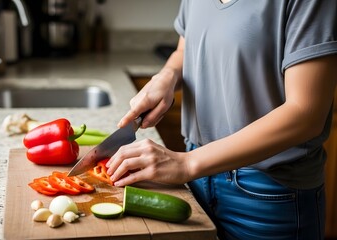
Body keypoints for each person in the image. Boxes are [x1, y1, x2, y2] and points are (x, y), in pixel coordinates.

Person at [105, 1, 337, 239]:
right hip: (196, 179)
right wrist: (167, 76)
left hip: (267, 192)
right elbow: (185, 49)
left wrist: (187, 164)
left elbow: (306, 114)